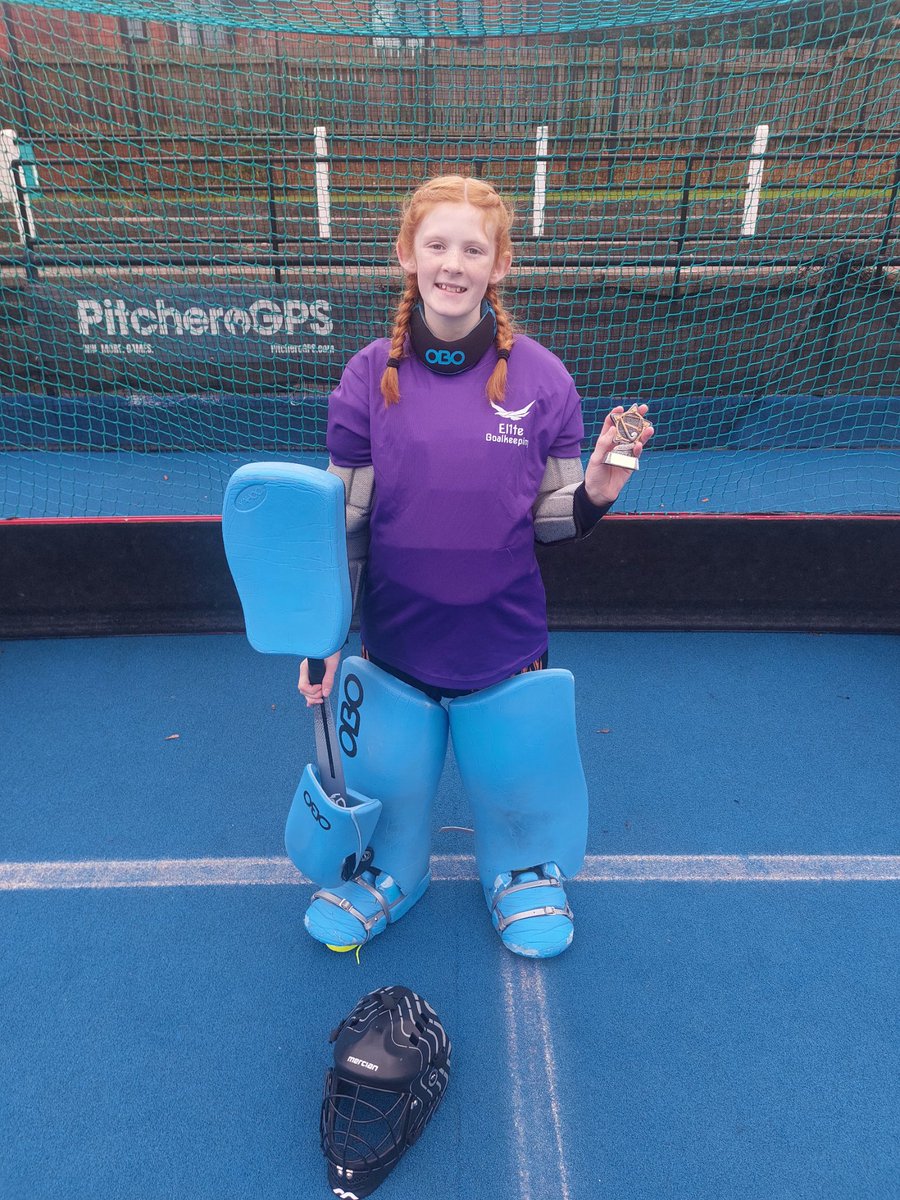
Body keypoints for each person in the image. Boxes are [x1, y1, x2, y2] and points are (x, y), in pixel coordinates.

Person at [298, 174, 652, 958]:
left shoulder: (544, 378)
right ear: (406, 255)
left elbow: (554, 527)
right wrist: (324, 638)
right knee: (389, 779)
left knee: (514, 778)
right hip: (395, 644)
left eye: (472, 248)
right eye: (436, 245)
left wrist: (596, 488)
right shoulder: (365, 378)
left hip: (506, 641)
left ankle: (521, 866)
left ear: (499, 265)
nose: (453, 263)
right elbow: (345, 526)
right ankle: (393, 868)